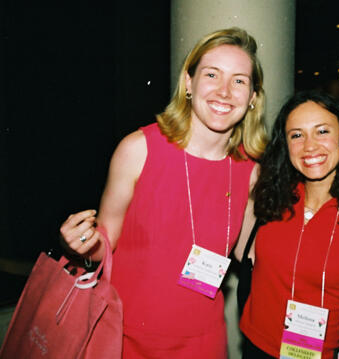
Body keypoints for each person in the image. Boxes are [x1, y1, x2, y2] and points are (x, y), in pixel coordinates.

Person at [59, 27, 267, 358]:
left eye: (239, 81)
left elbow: (252, 254)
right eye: (212, 74)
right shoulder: (138, 149)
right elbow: (105, 243)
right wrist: (81, 243)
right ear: (188, 82)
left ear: (253, 97)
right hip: (124, 337)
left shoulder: (251, 170)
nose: (225, 91)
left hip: (203, 343)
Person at [238, 91, 339, 359]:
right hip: (255, 346)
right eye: (297, 135)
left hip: (315, 354)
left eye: (322, 131)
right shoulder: (271, 198)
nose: (309, 146)